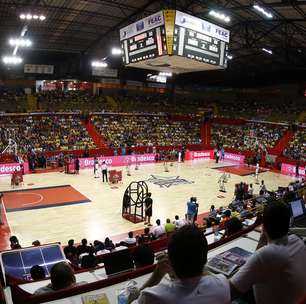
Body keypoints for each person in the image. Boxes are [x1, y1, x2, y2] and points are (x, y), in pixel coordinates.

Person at [230, 201, 306, 304]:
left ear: (264, 227)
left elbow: (230, 292)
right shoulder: (298, 241)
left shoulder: (265, 255)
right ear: (289, 223)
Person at [133, 225, 230, 303]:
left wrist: (157, 275)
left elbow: (130, 300)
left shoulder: (151, 296)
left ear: (170, 262)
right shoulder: (223, 283)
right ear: (205, 258)